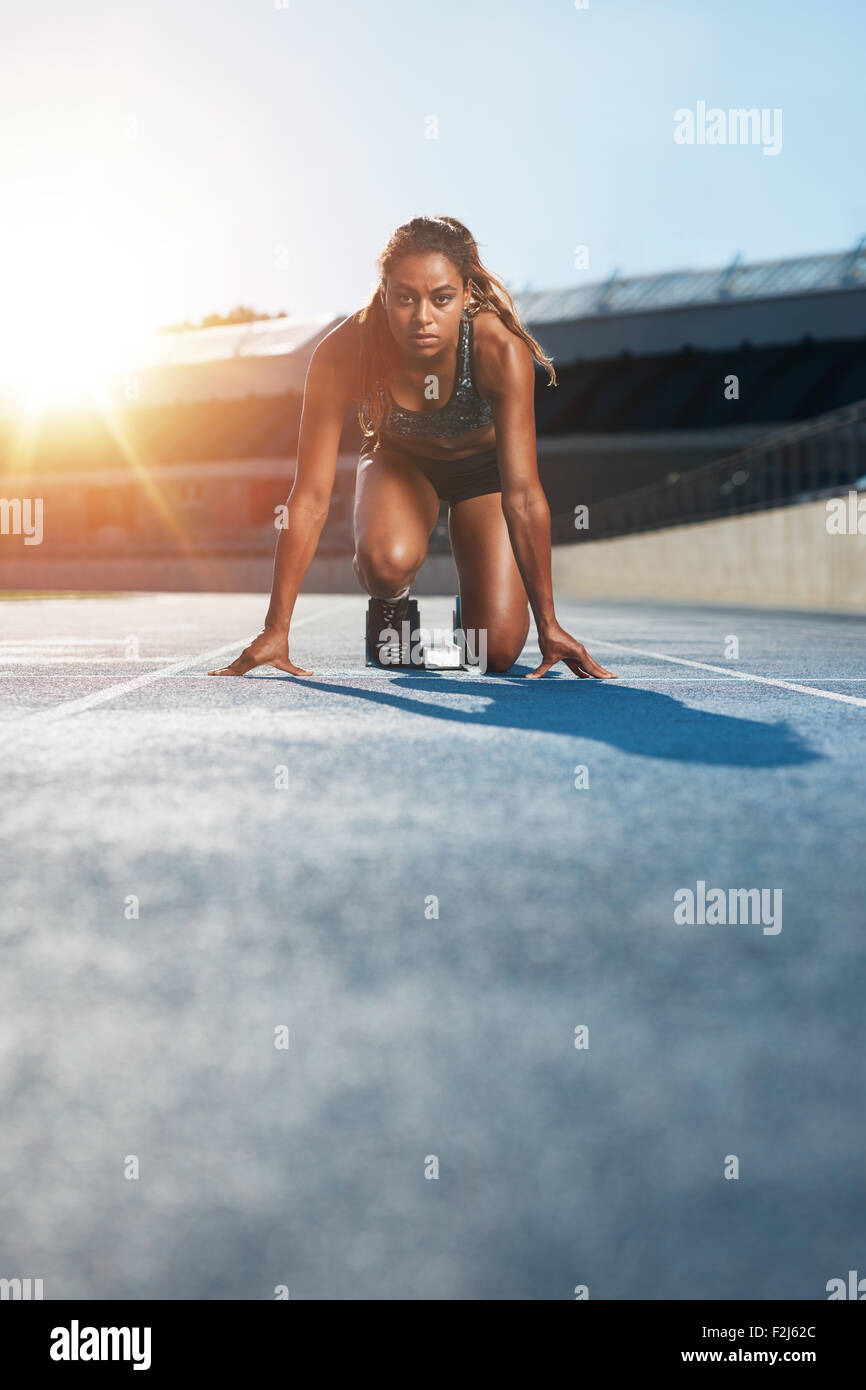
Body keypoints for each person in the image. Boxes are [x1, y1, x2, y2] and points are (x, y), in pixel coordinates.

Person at [210, 215, 616, 680]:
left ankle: (476, 616)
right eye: (404, 298)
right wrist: (276, 627)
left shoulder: (498, 350)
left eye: (441, 299)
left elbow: (523, 495)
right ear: (383, 292)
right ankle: (392, 611)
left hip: (482, 474)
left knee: (496, 653)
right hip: (399, 461)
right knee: (387, 562)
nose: (422, 317)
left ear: (466, 293)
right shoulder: (342, 352)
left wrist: (549, 624)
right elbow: (309, 498)